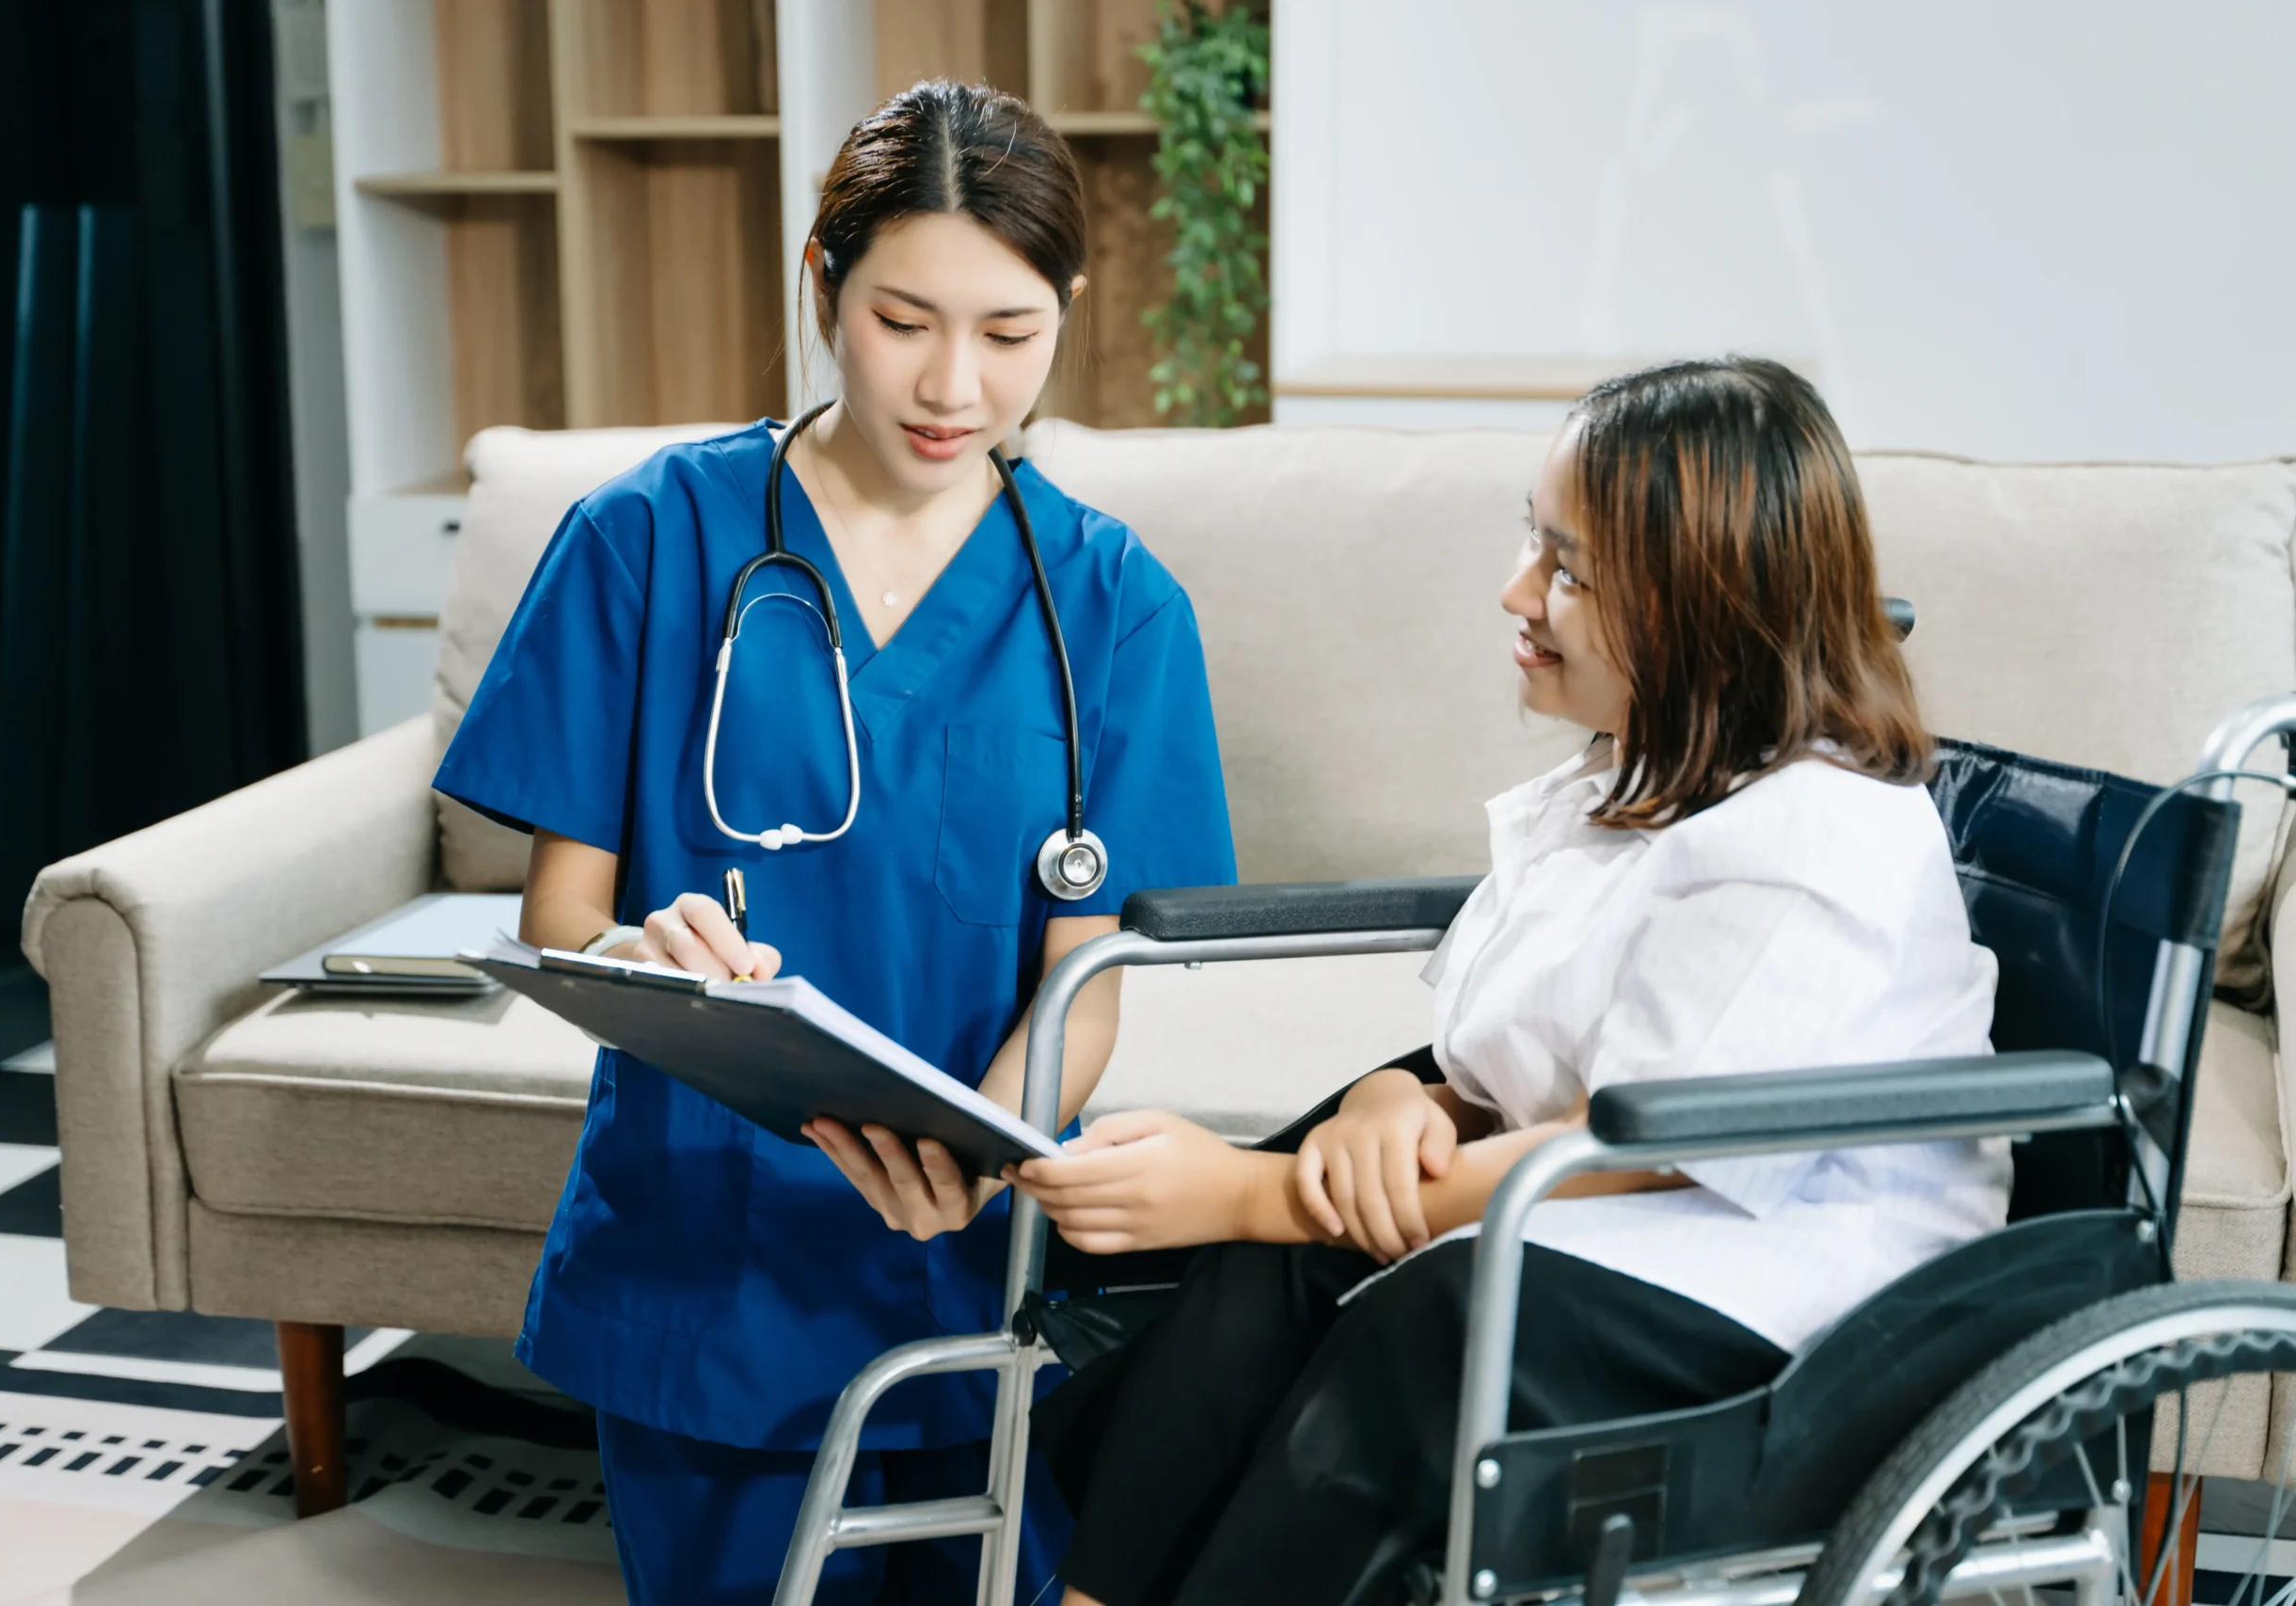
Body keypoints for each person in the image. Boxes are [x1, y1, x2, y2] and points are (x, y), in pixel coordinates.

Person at [1007, 358, 2010, 1606]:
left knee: (1415, 1317)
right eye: (1536, 547)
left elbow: (1642, 1138)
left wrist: (1257, 1191)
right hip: (1626, 1215)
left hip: (1795, 1284)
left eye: (1570, 570)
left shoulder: (1814, 835)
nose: (1517, 592)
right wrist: (1396, 1105)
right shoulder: (1628, 783)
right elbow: (1520, 1057)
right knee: (1293, 1244)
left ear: (1703, 605)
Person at [434, 81, 1236, 1605]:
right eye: (902, 319)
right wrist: (635, 950)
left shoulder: (1116, 605)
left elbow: (1095, 975)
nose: (953, 384)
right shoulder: (648, 536)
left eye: (1009, 334)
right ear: (823, 286)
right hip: (704, 1249)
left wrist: (981, 1157)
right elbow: (560, 921)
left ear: (1066, 310)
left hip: (965, 1253)